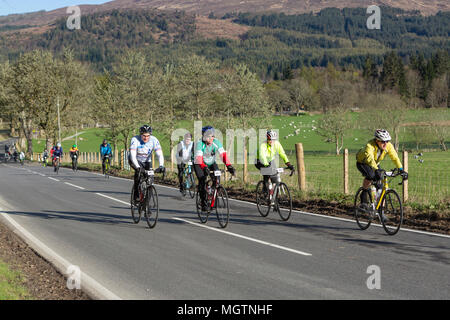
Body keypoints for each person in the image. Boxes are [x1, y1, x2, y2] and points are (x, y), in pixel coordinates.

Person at [356, 129, 408, 207]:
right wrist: (376, 170)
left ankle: (380, 210)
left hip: (375, 163)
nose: (385, 144)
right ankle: (364, 195)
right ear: (377, 141)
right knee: (370, 176)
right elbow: (370, 159)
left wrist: (401, 169)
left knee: (380, 185)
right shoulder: (369, 146)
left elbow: (395, 157)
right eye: (383, 141)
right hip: (363, 163)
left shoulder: (388, 146)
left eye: (387, 141)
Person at [194, 126, 235, 212]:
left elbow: (223, 155)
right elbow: (199, 159)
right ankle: (203, 202)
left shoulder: (216, 142)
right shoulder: (200, 144)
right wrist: (204, 167)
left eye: (213, 136)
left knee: (217, 179)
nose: (212, 138)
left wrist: (229, 166)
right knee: (202, 180)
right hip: (199, 164)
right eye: (210, 136)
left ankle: (213, 194)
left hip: (211, 163)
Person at [129, 125, 165, 203]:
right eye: (144, 136)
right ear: (140, 134)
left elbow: (159, 154)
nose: (146, 138)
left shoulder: (154, 140)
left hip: (147, 161)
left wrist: (161, 165)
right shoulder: (135, 140)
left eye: (148, 136)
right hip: (135, 160)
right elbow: (132, 155)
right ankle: (136, 194)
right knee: (138, 175)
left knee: (150, 180)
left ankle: (146, 205)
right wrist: (138, 167)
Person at [255, 130, 294, 195]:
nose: (272, 142)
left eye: (274, 140)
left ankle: (273, 194)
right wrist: (266, 165)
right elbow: (262, 156)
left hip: (270, 161)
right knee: (267, 173)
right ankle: (265, 190)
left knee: (275, 176)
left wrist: (288, 164)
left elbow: (282, 154)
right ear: (267, 139)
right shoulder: (263, 145)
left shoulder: (277, 144)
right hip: (259, 161)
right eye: (270, 140)